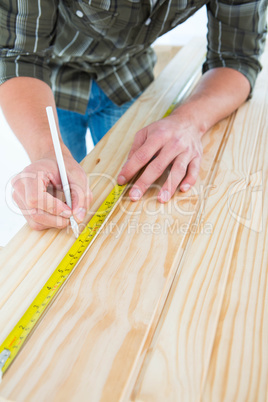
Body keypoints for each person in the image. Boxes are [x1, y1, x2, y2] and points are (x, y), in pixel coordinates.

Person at [0, 0, 267, 231]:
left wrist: (190, 121)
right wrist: (47, 151)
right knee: (64, 185)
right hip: (45, 82)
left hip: (127, 71)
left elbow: (237, 57)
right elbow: (18, 56)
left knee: (127, 185)